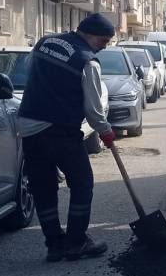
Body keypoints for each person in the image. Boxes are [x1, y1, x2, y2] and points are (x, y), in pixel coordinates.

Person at [18, 14, 117, 262]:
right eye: (103, 41)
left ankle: (54, 244)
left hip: (29, 126)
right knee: (82, 183)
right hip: (60, 129)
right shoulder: (87, 61)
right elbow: (94, 110)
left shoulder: (44, 43)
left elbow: (36, 79)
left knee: (43, 188)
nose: (104, 46)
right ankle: (76, 242)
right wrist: (106, 133)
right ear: (91, 35)